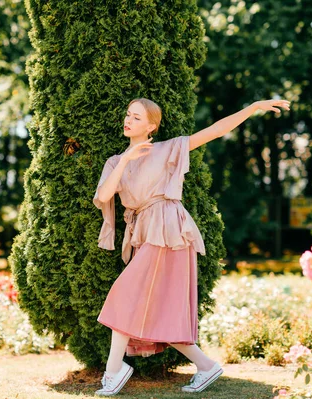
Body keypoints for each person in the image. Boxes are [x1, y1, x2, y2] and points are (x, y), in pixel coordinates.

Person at [92, 97, 290, 396]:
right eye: (127, 114)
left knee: (124, 294)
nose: (128, 120)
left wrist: (251, 108)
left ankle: (113, 371)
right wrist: (126, 160)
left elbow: (213, 131)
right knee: (161, 310)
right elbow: (104, 195)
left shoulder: (166, 148)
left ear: (151, 126)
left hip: (169, 228)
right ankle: (207, 366)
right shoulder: (114, 162)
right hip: (145, 231)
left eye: (136, 116)